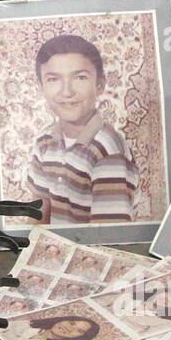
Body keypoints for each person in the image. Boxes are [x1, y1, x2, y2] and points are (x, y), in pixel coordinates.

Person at [25, 34, 140, 225]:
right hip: (53, 249)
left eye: (80, 77)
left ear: (100, 85)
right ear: (41, 87)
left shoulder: (108, 150)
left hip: (91, 249)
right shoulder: (45, 141)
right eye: (53, 79)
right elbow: (40, 209)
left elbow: (108, 236)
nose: (67, 91)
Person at [27, 314, 100, 340]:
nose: (69, 328)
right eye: (72, 323)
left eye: (79, 331)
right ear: (63, 319)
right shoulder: (26, 324)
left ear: (80, 337)